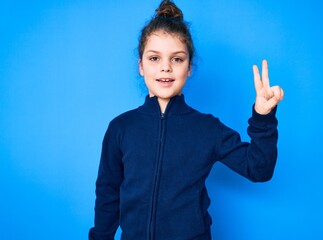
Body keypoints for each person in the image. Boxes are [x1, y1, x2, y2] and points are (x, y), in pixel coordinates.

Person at [89, 0, 284, 239]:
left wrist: (263, 117)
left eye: (177, 59)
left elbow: (259, 170)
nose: (165, 68)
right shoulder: (121, 128)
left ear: (189, 67)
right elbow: (108, 192)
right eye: (154, 58)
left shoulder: (208, 128)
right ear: (141, 66)